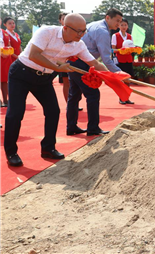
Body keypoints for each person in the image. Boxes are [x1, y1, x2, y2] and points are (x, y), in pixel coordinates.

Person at [3, 13, 109, 167]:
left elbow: (94, 63)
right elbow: (34, 55)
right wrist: (58, 67)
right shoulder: (47, 32)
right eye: (78, 31)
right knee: (16, 112)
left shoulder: (79, 44)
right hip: (22, 73)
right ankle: (11, 152)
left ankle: (48, 147)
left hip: (44, 78)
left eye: (84, 31)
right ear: (65, 28)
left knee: (53, 111)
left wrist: (112, 76)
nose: (81, 35)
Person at [67, 8, 124, 136]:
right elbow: (106, 60)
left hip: (73, 60)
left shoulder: (93, 25)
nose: (118, 24)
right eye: (117, 21)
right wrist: (120, 74)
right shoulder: (103, 31)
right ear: (108, 18)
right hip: (82, 62)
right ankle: (92, 127)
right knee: (93, 95)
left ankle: (71, 126)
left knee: (74, 95)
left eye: (120, 21)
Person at [111, 18, 135, 105]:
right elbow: (112, 50)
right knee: (121, 80)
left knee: (128, 80)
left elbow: (132, 48)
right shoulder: (115, 36)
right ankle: (121, 98)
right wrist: (121, 50)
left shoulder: (130, 36)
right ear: (119, 26)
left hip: (128, 60)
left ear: (127, 26)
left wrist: (133, 49)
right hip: (120, 60)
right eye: (122, 25)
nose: (124, 27)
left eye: (125, 25)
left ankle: (127, 98)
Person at [1, 17, 22, 107]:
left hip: (7, 58)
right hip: (10, 58)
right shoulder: (7, 33)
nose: (12, 25)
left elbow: (10, 45)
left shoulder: (5, 33)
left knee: (7, 80)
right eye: (10, 23)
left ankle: (9, 99)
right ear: (5, 24)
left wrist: (21, 56)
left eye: (13, 23)